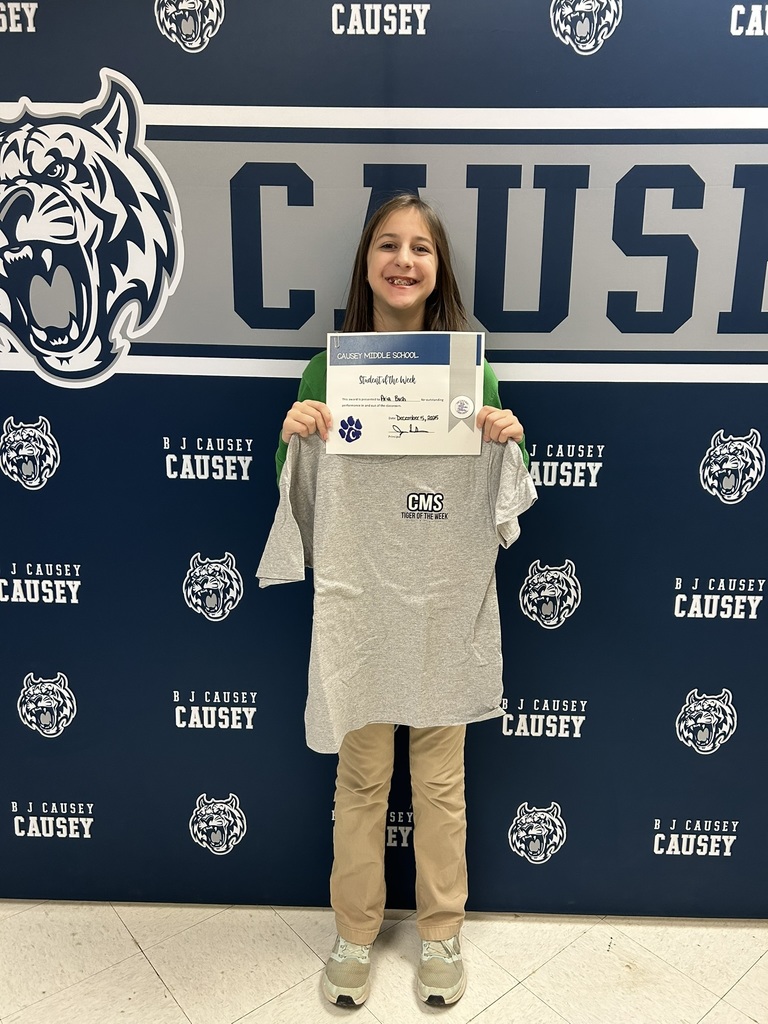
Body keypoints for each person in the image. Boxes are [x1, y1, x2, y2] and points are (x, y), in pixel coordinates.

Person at [273, 193, 531, 1007]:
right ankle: (354, 933)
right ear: (367, 263)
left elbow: (507, 497)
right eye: (388, 245)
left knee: (441, 783)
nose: (404, 261)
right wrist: (293, 437)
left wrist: (510, 442)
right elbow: (298, 494)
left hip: (441, 607)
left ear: (438, 268)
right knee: (360, 782)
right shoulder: (327, 371)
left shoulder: (471, 372)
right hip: (362, 612)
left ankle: (441, 932)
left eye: (421, 248)